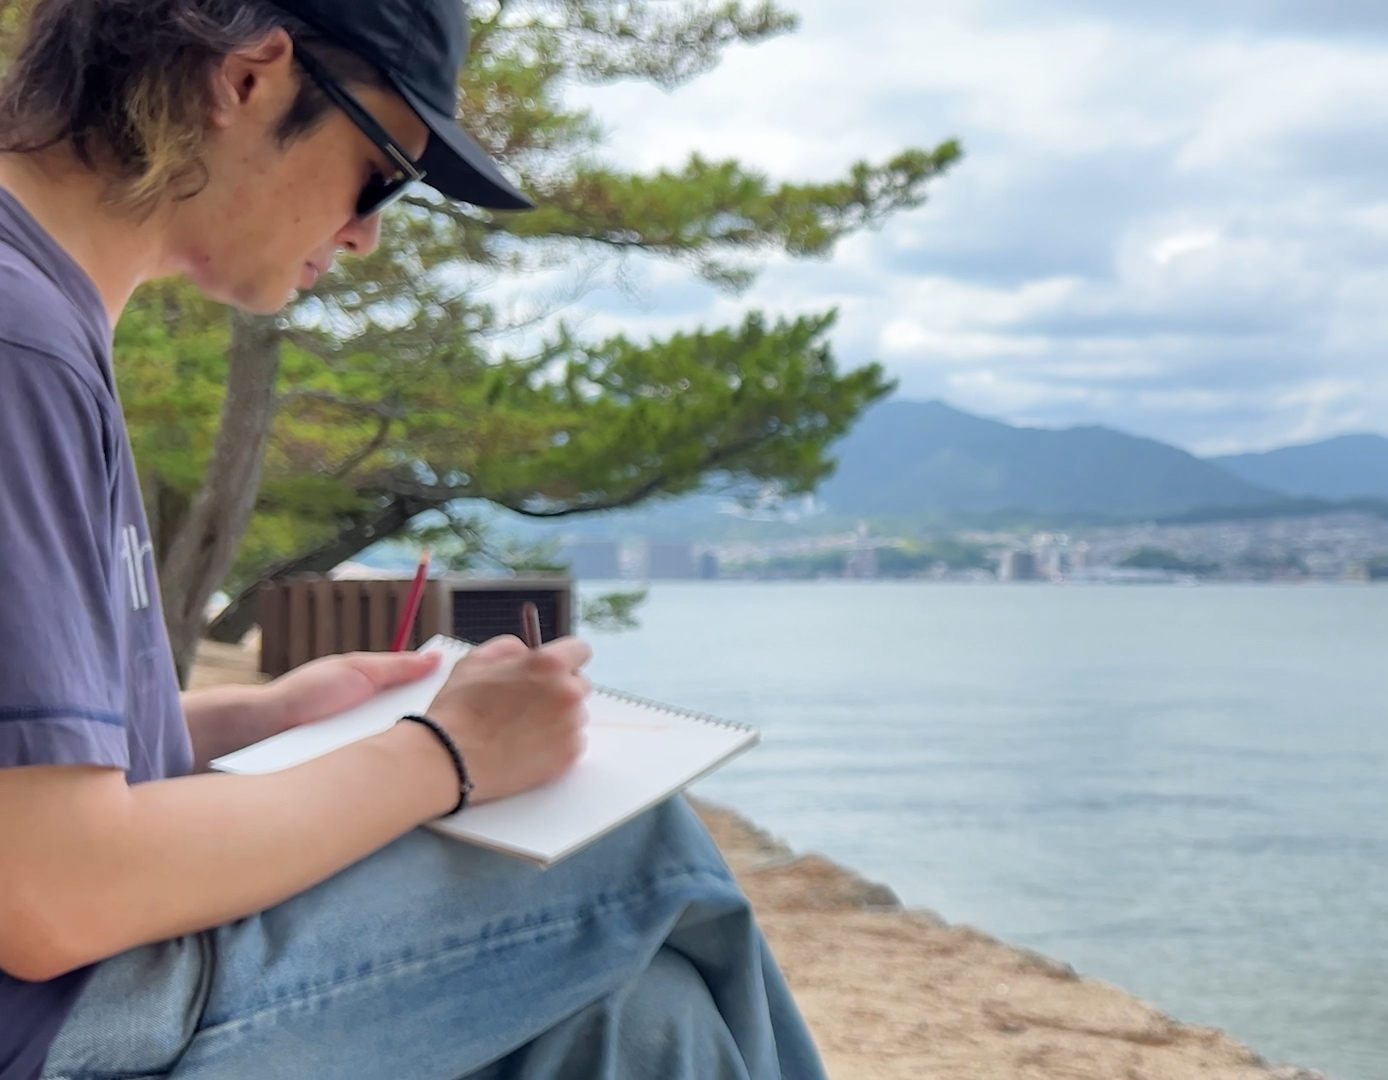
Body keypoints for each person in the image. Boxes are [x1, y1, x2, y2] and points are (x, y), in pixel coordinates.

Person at [0, 1, 827, 1077]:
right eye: (383, 169)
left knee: (646, 1022)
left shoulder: (41, 314)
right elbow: (53, 894)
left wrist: (258, 717)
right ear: (247, 82)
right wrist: (445, 755)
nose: (367, 231)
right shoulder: (23, 346)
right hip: (70, 1024)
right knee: (638, 846)